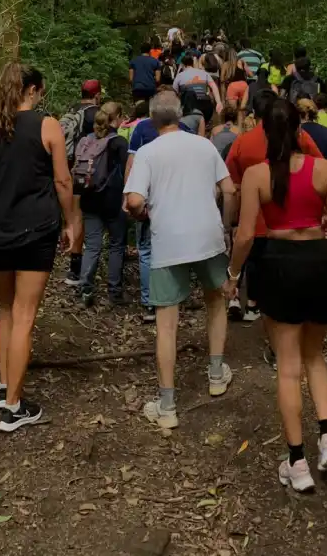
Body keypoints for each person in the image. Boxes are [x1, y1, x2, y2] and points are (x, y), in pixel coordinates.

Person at [224, 98, 327, 492]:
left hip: (277, 264)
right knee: (316, 355)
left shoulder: (258, 176)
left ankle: (297, 462)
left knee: (288, 366)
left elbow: (245, 236)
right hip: (319, 262)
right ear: (300, 130)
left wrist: (232, 274)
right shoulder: (323, 169)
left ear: (263, 131)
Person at [124, 91, 236, 429]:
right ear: (181, 115)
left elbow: (133, 200)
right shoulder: (204, 145)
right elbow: (229, 188)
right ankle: (216, 373)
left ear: (152, 121)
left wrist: (142, 211)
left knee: (166, 323)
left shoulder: (146, 152)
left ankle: (168, 404)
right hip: (207, 235)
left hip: (168, 240)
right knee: (216, 300)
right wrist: (226, 226)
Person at [0, 64, 75, 431]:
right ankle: (13, 407)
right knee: (24, 315)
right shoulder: (46, 125)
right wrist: (71, 222)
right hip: (34, 228)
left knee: (5, 309)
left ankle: (4, 386)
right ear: (32, 90)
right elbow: (63, 181)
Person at [225, 91, 324, 325]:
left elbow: (232, 178)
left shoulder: (242, 141)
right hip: (293, 219)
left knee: (252, 259)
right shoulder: (302, 139)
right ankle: (255, 304)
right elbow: (318, 162)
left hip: (255, 216)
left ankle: (243, 301)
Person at [125, 93, 193, 323]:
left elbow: (131, 164)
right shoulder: (186, 131)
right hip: (177, 201)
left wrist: (128, 194)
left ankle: (150, 304)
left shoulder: (142, 129)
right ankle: (172, 299)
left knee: (146, 252)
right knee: (175, 250)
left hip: (146, 198)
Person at [76, 102, 128, 308]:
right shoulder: (119, 142)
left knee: (92, 245)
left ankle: (85, 290)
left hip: (88, 198)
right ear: (117, 118)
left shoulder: (86, 140)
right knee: (116, 244)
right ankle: (114, 291)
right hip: (112, 201)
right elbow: (127, 173)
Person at [64, 79, 102, 287]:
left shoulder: (71, 111)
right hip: (95, 172)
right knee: (92, 219)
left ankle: (74, 269)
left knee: (76, 216)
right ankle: (89, 271)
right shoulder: (97, 113)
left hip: (74, 170)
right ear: (97, 95)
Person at [173, 54, 222, 123]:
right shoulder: (204, 73)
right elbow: (214, 87)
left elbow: (174, 93)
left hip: (188, 109)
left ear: (182, 64)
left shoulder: (179, 76)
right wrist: (219, 102)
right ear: (193, 63)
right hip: (206, 107)